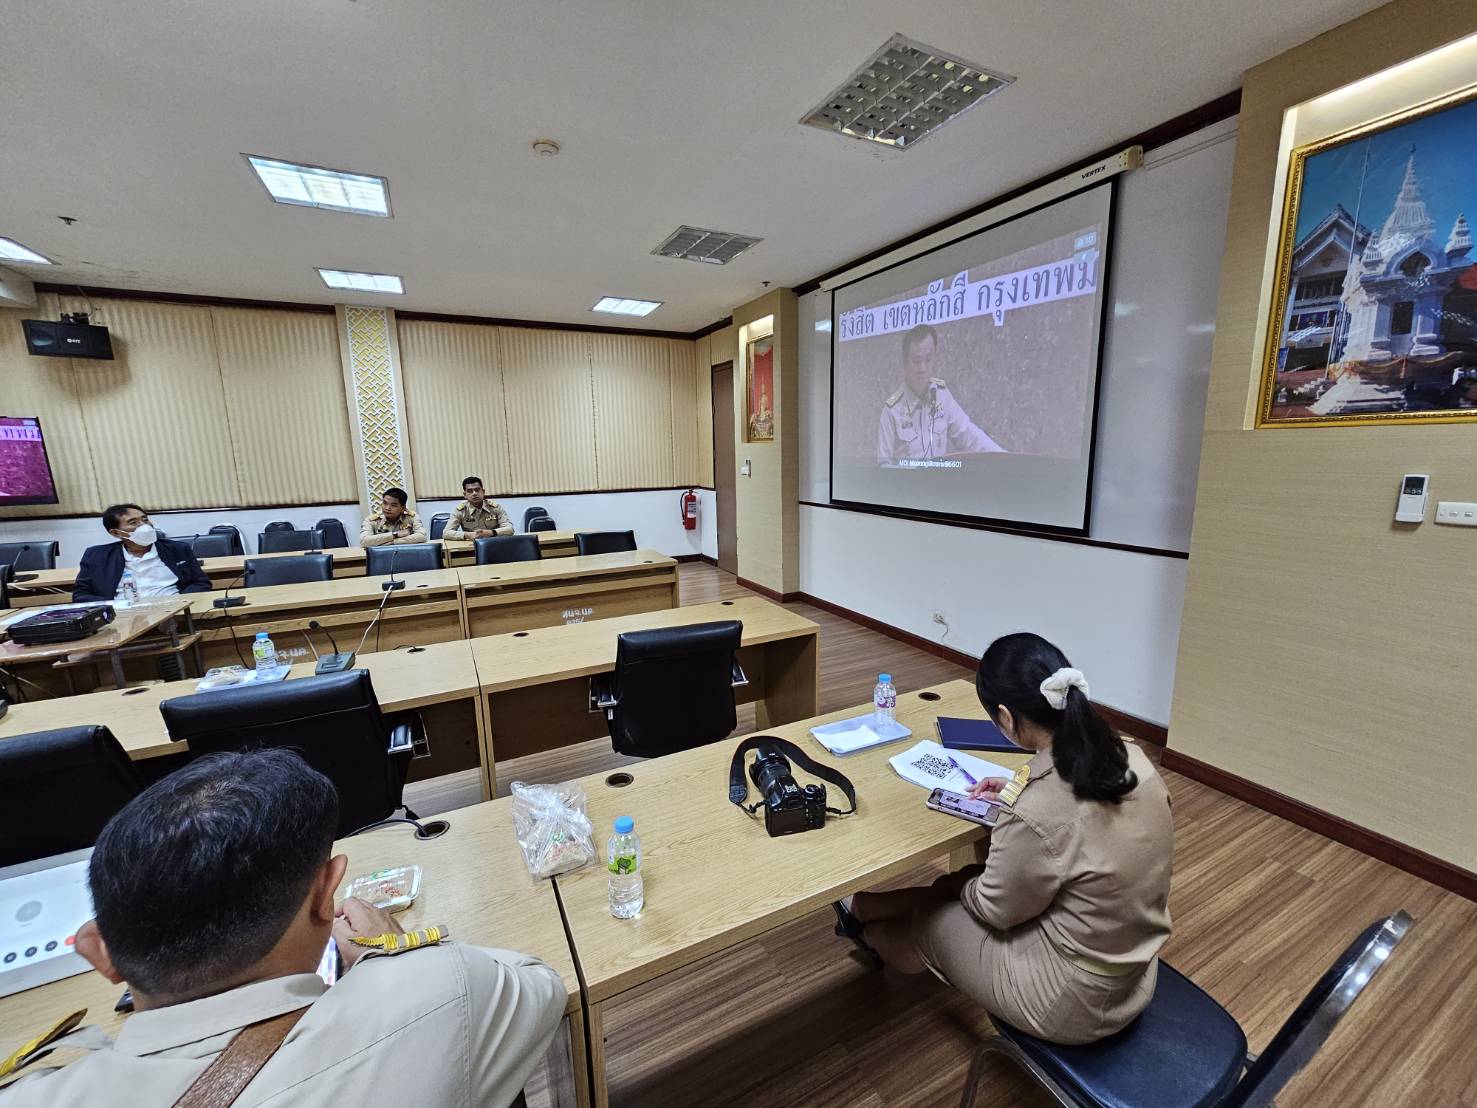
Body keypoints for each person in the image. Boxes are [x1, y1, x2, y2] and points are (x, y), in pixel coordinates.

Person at [0, 750, 565, 1106]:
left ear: (100, 953)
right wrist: (389, 950)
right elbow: (539, 985)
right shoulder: (439, 991)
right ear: (327, 894)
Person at [833, 633, 1172, 1045]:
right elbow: (1082, 823)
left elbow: (996, 911)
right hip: (1131, 969)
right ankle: (862, 906)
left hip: (1077, 1002)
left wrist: (964, 886)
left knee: (935, 917)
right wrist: (1018, 792)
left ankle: (866, 934)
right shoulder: (1133, 758)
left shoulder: (1036, 812)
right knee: (960, 883)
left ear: (1006, 718)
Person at [876, 324, 1005, 464]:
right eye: (916, 361)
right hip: (905, 485)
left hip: (938, 484)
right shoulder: (891, 410)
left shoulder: (942, 396)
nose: (923, 368)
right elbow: (883, 464)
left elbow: (969, 436)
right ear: (905, 362)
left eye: (928, 359)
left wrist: (1004, 460)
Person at [73, 504, 211, 603]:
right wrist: (116, 606)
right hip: (123, 615)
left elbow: (201, 583)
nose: (144, 526)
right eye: (133, 522)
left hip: (173, 610)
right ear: (116, 533)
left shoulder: (177, 549)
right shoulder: (97, 556)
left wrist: (179, 602)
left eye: (145, 519)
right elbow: (81, 595)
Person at [442, 476, 513, 540]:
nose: (474, 493)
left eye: (477, 490)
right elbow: (446, 533)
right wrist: (467, 535)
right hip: (472, 546)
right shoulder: (461, 510)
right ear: (465, 495)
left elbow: (510, 529)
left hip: (494, 544)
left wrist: (491, 532)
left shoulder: (495, 507)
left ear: (483, 492)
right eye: (470, 491)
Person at [358, 487, 426, 547]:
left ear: (403, 508)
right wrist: (395, 534)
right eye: (385, 503)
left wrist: (395, 542)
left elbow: (422, 536)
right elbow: (364, 541)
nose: (387, 508)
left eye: (393, 505)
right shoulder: (372, 520)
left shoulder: (412, 517)